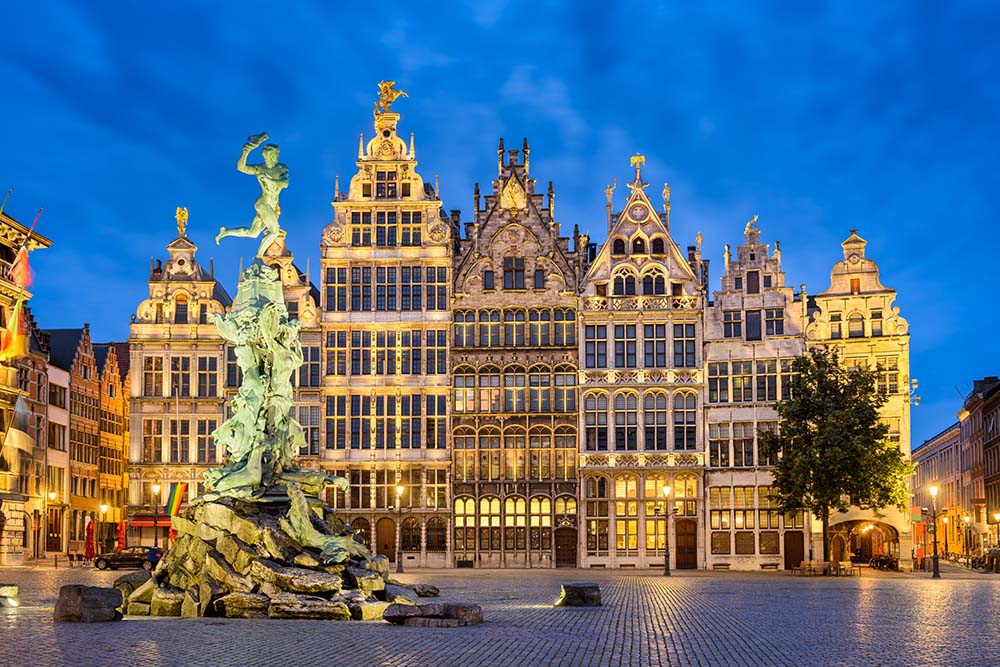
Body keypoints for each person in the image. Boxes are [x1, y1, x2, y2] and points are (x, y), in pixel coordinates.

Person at [216, 133, 288, 258]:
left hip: (271, 206)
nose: (277, 157)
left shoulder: (281, 168)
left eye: (277, 154)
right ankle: (259, 257)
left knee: (253, 233)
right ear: (269, 156)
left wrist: (269, 179)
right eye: (275, 154)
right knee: (274, 231)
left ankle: (226, 231)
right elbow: (241, 167)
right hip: (263, 203)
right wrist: (246, 152)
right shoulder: (260, 168)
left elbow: (285, 183)